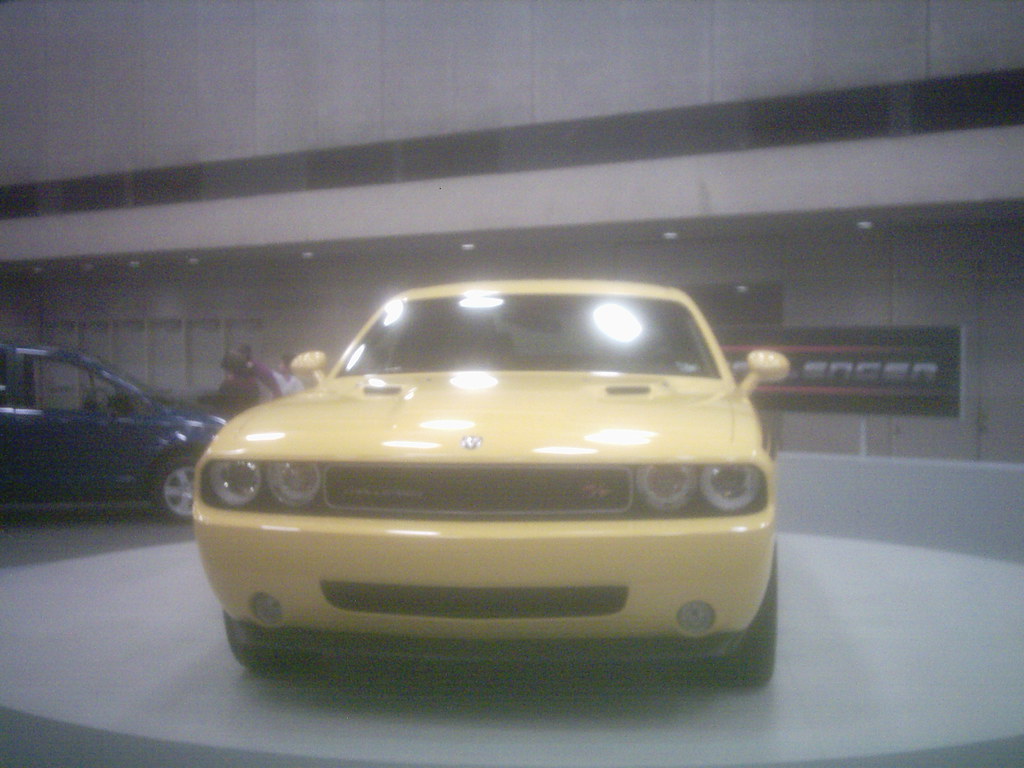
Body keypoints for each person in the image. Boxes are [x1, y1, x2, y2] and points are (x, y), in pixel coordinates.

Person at [216, 349, 260, 416]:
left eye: (227, 370)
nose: (227, 374)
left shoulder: (228, 385)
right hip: (250, 418)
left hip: (233, 420)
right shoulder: (252, 382)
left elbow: (221, 406)